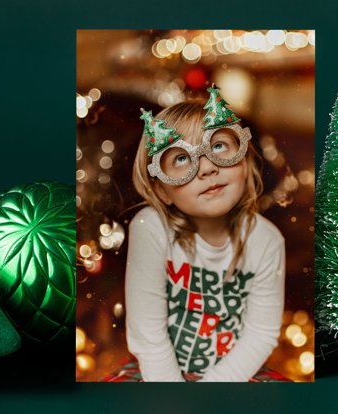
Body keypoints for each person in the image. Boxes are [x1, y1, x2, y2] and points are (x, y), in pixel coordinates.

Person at [125, 85, 285, 382]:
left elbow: (261, 334)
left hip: (236, 374)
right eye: (182, 159)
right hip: (158, 371)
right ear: (162, 189)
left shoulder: (266, 241)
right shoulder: (151, 228)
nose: (207, 168)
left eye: (219, 147)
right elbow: (148, 337)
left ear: (245, 160)